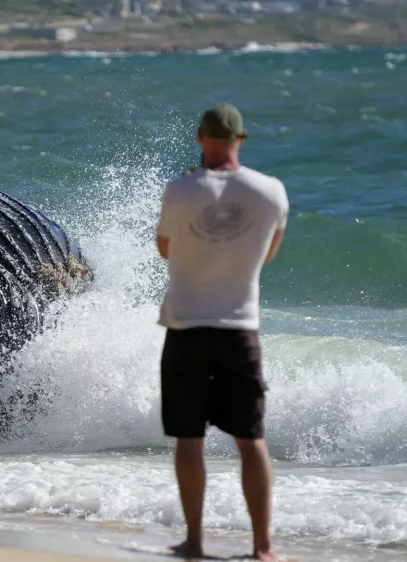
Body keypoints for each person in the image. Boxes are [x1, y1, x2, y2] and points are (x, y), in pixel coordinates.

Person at [155, 103, 288, 562]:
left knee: (189, 439)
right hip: (240, 330)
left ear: (201, 137)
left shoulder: (181, 189)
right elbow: (269, 254)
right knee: (251, 439)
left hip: (186, 327)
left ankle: (194, 542)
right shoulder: (271, 191)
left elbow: (165, 249)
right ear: (241, 139)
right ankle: (263, 548)